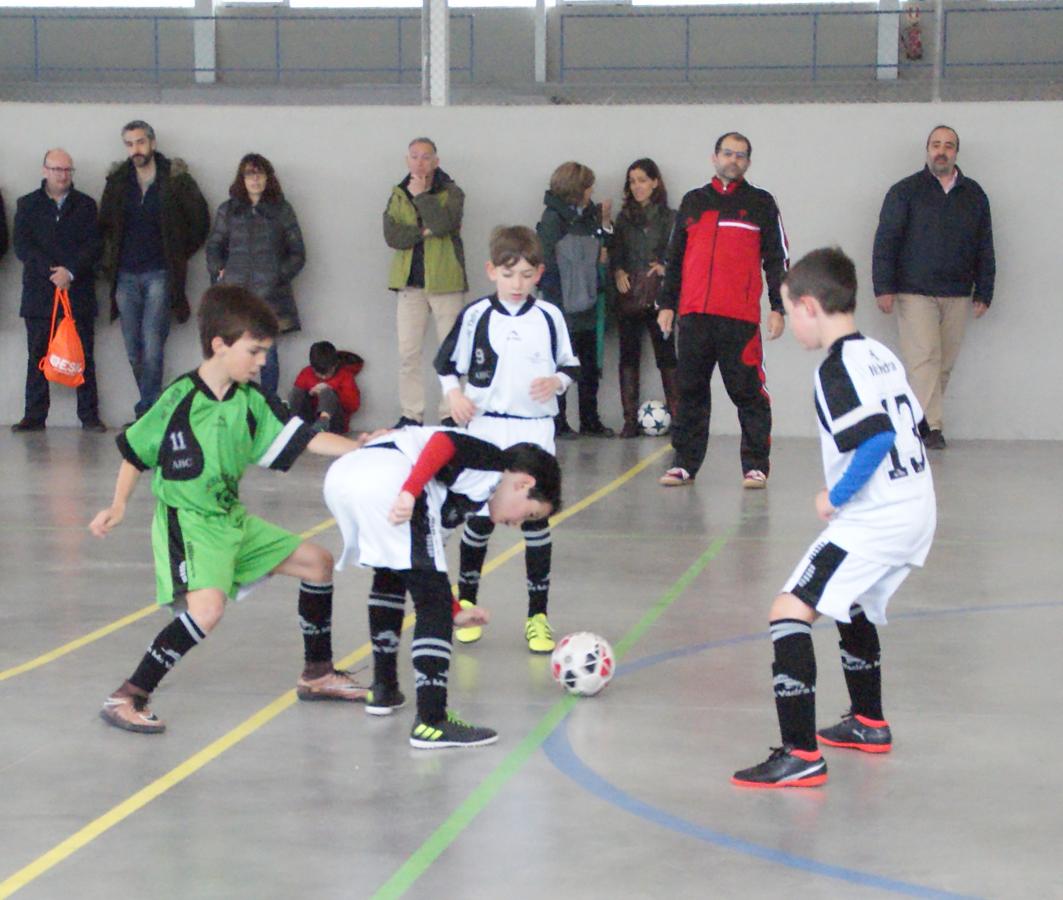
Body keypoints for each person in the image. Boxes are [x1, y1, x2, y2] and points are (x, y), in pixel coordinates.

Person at [89, 285, 374, 735]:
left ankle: (317, 673)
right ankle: (128, 696)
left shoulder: (251, 400)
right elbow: (134, 453)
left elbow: (303, 438)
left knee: (318, 563)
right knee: (207, 611)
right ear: (220, 345)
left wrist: (359, 450)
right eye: (255, 351)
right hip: (190, 523)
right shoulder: (178, 399)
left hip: (230, 519)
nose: (262, 362)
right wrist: (118, 505)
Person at [732, 247, 936, 788]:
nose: (788, 321)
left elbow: (876, 437)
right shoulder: (881, 354)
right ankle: (868, 721)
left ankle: (800, 754)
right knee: (852, 599)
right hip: (916, 504)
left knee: (788, 611)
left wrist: (836, 495)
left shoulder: (836, 368)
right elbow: (913, 424)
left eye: (786, 308)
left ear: (807, 306)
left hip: (878, 516)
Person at [323, 429, 561, 749]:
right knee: (430, 605)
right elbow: (444, 444)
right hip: (389, 482)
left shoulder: (464, 497)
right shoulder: (494, 464)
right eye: (529, 514)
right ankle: (432, 721)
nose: (518, 524)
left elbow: (427, 569)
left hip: (343, 477)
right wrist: (409, 491)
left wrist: (454, 611)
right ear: (524, 483)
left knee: (391, 573)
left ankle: (384, 689)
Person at [435, 226, 579, 653]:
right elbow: (445, 364)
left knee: (535, 520)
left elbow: (570, 366)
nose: (517, 284)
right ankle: (467, 605)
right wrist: (454, 394)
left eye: (526, 275)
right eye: (508, 274)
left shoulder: (549, 317)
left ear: (539, 274)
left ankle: (537, 615)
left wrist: (556, 381)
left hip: (534, 431)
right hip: (485, 427)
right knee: (478, 518)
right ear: (491, 271)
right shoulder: (476, 315)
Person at [657, 132, 788, 488]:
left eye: (741, 156)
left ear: (748, 162)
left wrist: (779, 307)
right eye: (728, 153)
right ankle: (683, 464)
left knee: (748, 393)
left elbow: (777, 259)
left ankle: (755, 466)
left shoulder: (761, 203)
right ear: (714, 157)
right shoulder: (693, 202)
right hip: (694, 315)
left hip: (740, 319)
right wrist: (667, 304)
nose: (734, 160)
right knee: (691, 391)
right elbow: (675, 258)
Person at [872, 125, 995, 450]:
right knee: (924, 357)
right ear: (927, 150)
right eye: (936, 145)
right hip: (915, 290)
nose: (942, 151)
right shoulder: (905, 191)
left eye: (949, 146)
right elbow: (886, 240)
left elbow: (985, 244)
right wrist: (883, 286)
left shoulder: (974, 194)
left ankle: (915, 420)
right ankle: (930, 428)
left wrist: (984, 290)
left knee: (943, 363)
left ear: (956, 152)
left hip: (957, 290)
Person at [98, 120, 210, 420]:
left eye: (140, 142)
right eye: (130, 144)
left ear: (152, 143)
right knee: (133, 347)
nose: (136, 149)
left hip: (161, 273)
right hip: (124, 275)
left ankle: (148, 411)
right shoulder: (118, 182)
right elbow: (105, 225)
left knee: (152, 344)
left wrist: (177, 254)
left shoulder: (176, 180)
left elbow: (200, 222)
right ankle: (153, 405)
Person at [12, 149, 105, 433]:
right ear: (45, 171)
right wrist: (52, 273)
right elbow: (22, 245)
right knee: (37, 355)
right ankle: (34, 416)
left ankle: (89, 417)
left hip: (77, 293)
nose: (62, 175)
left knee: (83, 356)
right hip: (40, 294)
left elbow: (94, 245)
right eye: (56, 169)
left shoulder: (87, 205)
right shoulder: (27, 204)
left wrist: (70, 272)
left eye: (67, 170)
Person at [383, 137, 467, 428]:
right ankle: (411, 414)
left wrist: (421, 197)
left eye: (426, 156)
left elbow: (446, 223)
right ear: (407, 160)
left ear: (436, 161)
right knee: (408, 353)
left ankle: (450, 413)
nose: (420, 162)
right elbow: (393, 237)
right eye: (414, 156)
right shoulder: (397, 193)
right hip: (409, 285)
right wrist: (425, 231)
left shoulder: (452, 192)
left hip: (446, 282)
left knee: (451, 353)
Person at [206, 153, 306, 397]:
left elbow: (298, 253)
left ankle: (268, 405)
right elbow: (214, 247)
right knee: (234, 353)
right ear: (242, 179)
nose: (255, 180)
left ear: (268, 178)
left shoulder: (281, 210)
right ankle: (236, 406)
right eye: (250, 174)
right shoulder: (228, 210)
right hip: (236, 297)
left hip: (270, 297)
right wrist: (219, 272)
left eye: (260, 174)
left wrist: (277, 276)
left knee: (266, 356)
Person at [537, 161, 614, 438]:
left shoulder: (591, 215)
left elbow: (603, 243)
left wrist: (605, 223)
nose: (592, 191)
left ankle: (590, 420)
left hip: (590, 302)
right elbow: (548, 261)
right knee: (562, 366)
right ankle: (558, 422)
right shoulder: (552, 219)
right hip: (562, 304)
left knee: (590, 367)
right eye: (588, 186)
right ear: (577, 189)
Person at [609, 158, 678, 437]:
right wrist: (617, 272)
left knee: (666, 355)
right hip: (629, 296)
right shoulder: (623, 219)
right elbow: (615, 254)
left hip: (659, 295)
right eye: (632, 181)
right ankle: (629, 420)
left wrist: (665, 267)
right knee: (628, 356)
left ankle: (678, 414)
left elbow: (679, 252)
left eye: (642, 180)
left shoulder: (670, 217)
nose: (637, 186)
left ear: (655, 182)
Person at [289, 340, 363, 434]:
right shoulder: (306, 373)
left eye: (328, 373)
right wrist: (310, 393)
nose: (324, 377)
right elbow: (297, 398)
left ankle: (322, 423)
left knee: (326, 392)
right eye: (319, 374)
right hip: (310, 421)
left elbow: (353, 406)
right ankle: (292, 425)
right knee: (297, 391)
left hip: (334, 423)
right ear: (312, 368)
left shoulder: (345, 376)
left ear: (335, 365)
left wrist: (332, 390)